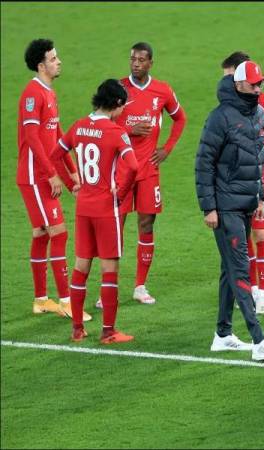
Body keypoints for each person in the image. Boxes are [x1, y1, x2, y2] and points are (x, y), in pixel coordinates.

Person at [196, 60, 264, 361]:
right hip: (225, 207)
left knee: (229, 268)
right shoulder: (220, 118)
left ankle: (222, 334)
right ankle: (259, 340)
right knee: (240, 268)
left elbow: (257, 159)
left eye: (261, 84)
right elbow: (203, 163)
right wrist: (209, 207)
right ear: (239, 85)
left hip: (246, 204)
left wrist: (259, 196)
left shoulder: (257, 114)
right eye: (254, 84)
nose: (259, 89)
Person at [97, 42, 187, 308]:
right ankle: (108, 290)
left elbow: (180, 118)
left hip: (148, 171)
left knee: (146, 225)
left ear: (150, 63)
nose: (135, 63)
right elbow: (104, 121)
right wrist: (130, 129)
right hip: (121, 170)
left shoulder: (163, 90)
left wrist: (167, 149)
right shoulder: (118, 89)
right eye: (132, 59)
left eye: (141, 60)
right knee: (116, 226)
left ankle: (139, 286)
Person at [50, 79, 139, 343]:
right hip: (105, 209)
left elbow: (55, 155)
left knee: (81, 265)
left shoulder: (79, 126)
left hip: (83, 206)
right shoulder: (115, 132)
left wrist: (72, 186)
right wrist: (121, 193)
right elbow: (133, 167)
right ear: (118, 104)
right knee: (109, 268)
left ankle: (77, 329)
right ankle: (109, 332)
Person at [17, 38, 91, 322]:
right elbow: (33, 138)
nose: (58, 62)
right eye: (53, 58)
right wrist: (51, 175)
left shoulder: (49, 92)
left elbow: (58, 138)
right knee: (59, 233)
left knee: (42, 234)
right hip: (35, 178)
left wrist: (71, 172)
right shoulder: (32, 94)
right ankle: (67, 302)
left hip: (43, 175)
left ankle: (40, 300)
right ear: (41, 65)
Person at [221, 51, 264, 315]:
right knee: (241, 239)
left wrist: (247, 135)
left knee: (261, 234)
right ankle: (251, 289)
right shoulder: (227, 107)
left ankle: (263, 293)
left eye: (228, 76)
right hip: (233, 185)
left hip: (258, 181)